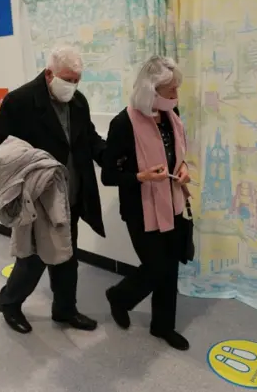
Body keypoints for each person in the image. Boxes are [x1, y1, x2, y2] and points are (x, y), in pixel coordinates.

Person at [0, 46, 106, 334]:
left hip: (70, 196)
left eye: (78, 80)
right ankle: (9, 302)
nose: (73, 86)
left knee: (66, 256)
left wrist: (115, 157)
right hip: (37, 199)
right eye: (68, 79)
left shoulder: (78, 103)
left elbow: (89, 138)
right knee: (31, 261)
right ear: (49, 73)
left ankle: (65, 310)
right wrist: (34, 163)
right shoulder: (20, 101)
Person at [101, 56, 192, 351]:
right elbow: (109, 175)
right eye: (170, 92)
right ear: (150, 91)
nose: (176, 97)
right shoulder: (123, 124)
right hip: (141, 210)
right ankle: (119, 297)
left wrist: (183, 168)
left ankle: (162, 326)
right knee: (156, 269)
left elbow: (177, 156)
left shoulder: (171, 115)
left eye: (176, 90)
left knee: (170, 269)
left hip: (173, 204)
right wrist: (140, 176)